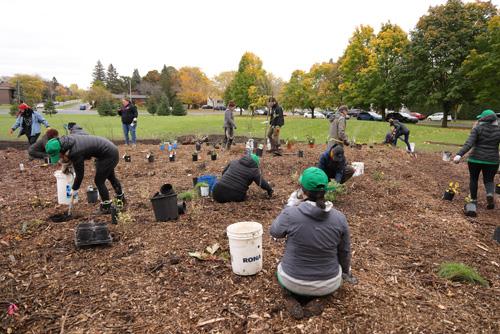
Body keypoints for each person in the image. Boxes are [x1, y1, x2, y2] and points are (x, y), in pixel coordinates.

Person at [270, 167, 356, 320]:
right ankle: (321, 299)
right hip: (328, 283)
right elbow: (344, 252)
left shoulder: (291, 213)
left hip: (292, 280)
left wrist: (290, 206)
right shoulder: (339, 218)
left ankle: (289, 296)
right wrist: (346, 273)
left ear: (302, 191)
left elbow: (275, 232)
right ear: (326, 190)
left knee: (279, 273)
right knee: (328, 286)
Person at [45, 135, 125, 213]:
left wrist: (74, 188)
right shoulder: (67, 140)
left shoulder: (75, 152)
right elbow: (69, 158)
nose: (59, 158)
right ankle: (120, 199)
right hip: (109, 150)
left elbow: (80, 175)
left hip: (108, 154)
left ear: (60, 150)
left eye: (58, 155)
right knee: (110, 176)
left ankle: (106, 207)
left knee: (99, 181)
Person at [454, 109, 500, 211]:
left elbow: (469, 144)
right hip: (492, 160)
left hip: (475, 159)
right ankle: (489, 194)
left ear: (483, 119)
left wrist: (459, 155)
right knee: (489, 180)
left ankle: (474, 200)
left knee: (473, 179)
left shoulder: (477, 128)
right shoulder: (498, 130)